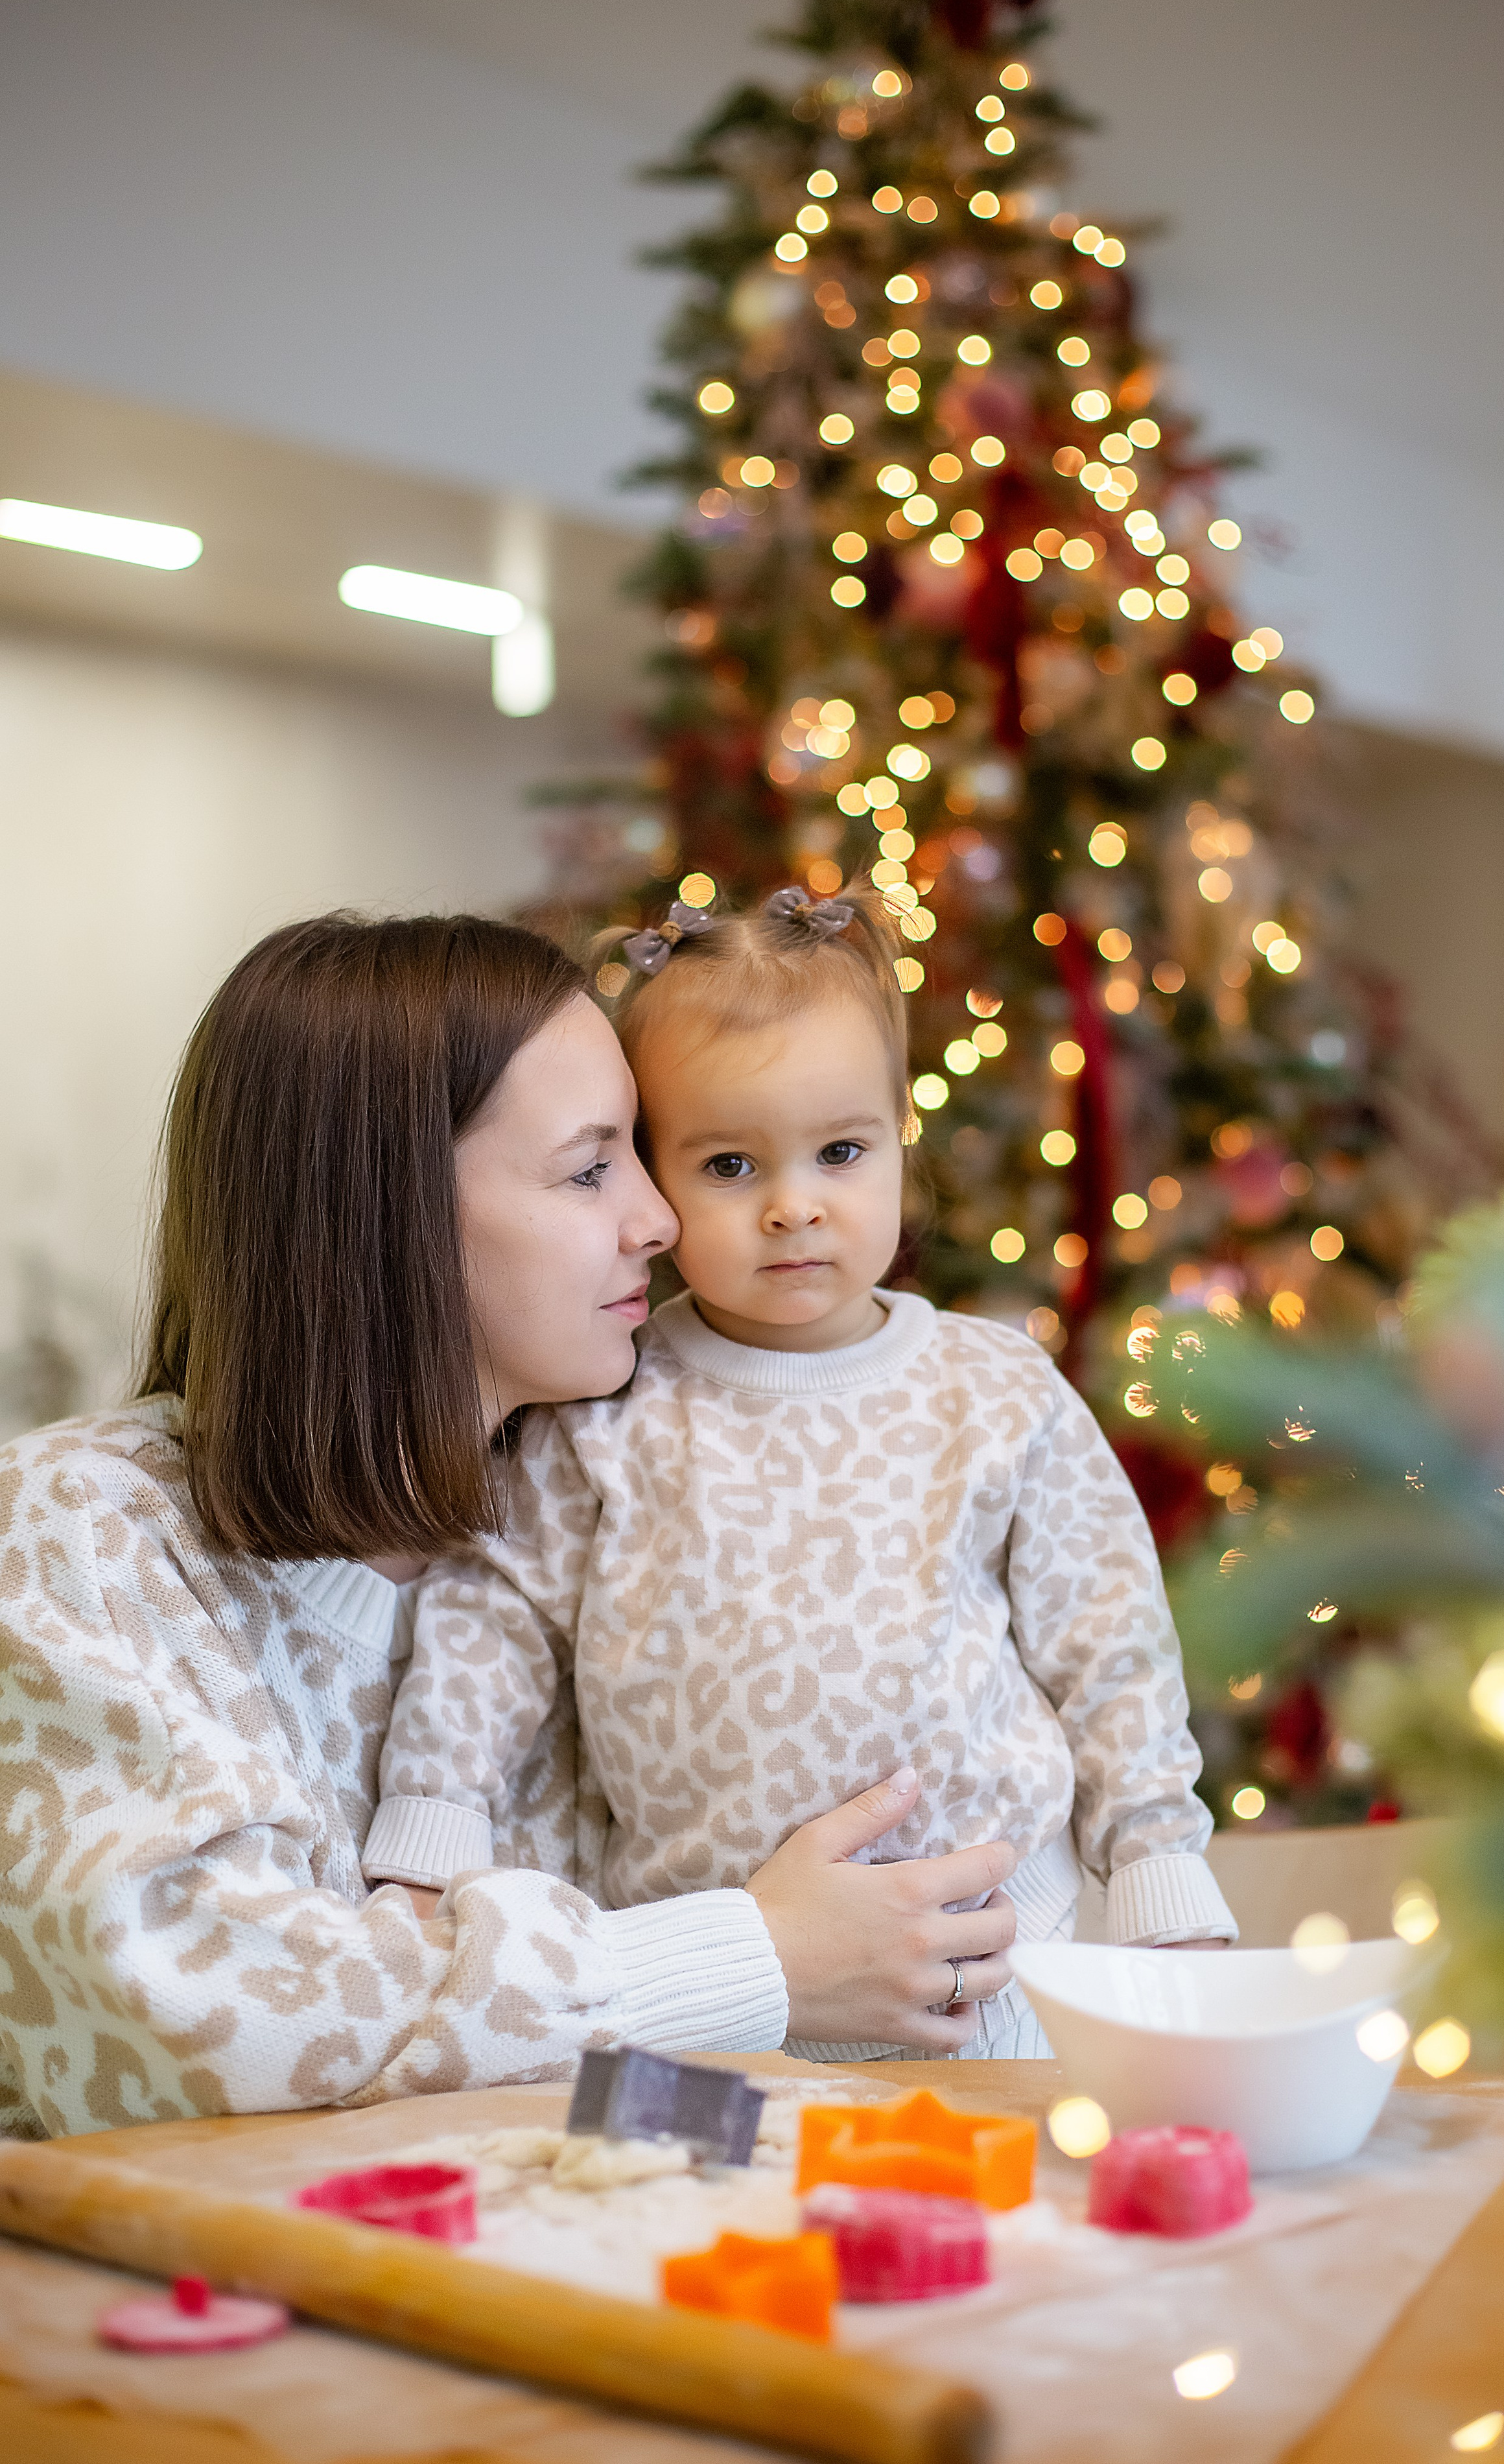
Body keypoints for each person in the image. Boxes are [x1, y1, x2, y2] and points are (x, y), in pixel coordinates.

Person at [0, 912, 1019, 2140]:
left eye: (644, 1158)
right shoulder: (76, 1534)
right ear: (386, 1218)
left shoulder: (579, 1545)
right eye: (593, 1169)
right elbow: (192, 2019)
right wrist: (754, 1957)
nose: (660, 1221)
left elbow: (579, 2115)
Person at [370, 889, 1235, 2061]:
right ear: (654, 1182)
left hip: (991, 1967)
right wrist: (432, 1829)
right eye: (730, 1164)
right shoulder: (609, 1405)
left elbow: (1111, 1641)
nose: (793, 1206)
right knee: (701, 2229)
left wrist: (1160, 1878)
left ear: (896, 1141)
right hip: (714, 1984)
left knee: (1001, 2232)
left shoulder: (996, 1392)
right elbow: (492, 1621)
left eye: (839, 1151)